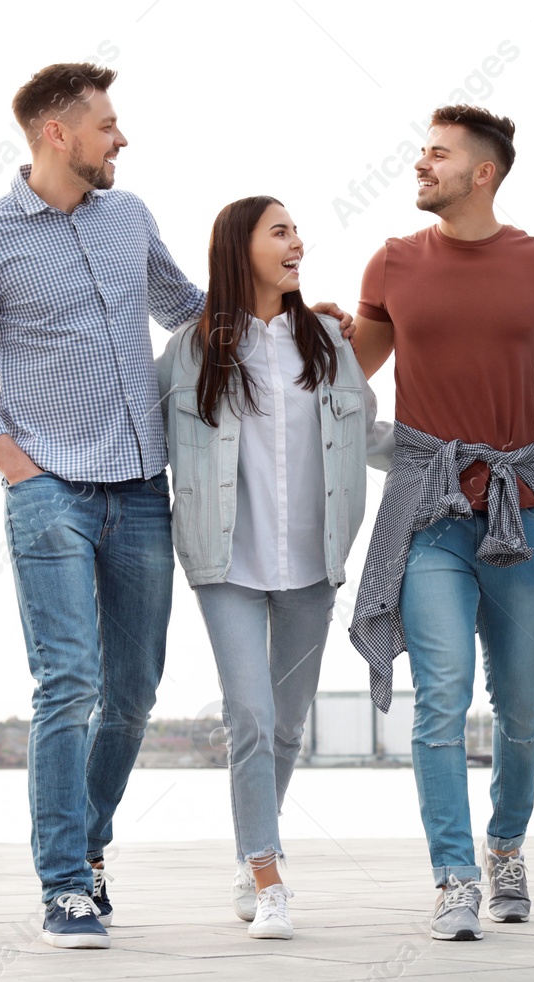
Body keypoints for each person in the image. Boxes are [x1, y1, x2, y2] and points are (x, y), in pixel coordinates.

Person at [0, 63, 351, 949]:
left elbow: (192, 309)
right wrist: (21, 471)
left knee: (131, 693)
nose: (122, 139)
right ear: (57, 133)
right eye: (107, 125)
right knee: (69, 683)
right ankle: (64, 886)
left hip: (142, 490)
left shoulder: (129, 218)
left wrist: (294, 319)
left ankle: (87, 847)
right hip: (51, 494)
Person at [348, 105, 534, 942]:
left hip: (518, 512)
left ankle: (506, 846)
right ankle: (453, 876)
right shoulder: (393, 262)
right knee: (441, 698)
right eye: (421, 149)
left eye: (438, 153)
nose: (421, 163)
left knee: (522, 708)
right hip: (428, 515)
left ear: (482, 172)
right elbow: (342, 379)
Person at [156, 197, 391, 939]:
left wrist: (445, 451)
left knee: (288, 726)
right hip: (225, 559)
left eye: (295, 232)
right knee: (250, 716)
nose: (297, 243)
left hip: (313, 562)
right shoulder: (191, 349)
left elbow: (366, 434)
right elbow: (143, 436)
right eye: (280, 232)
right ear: (240, 248)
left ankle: (252, 848)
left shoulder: (327, 339)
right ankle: (267, 872)